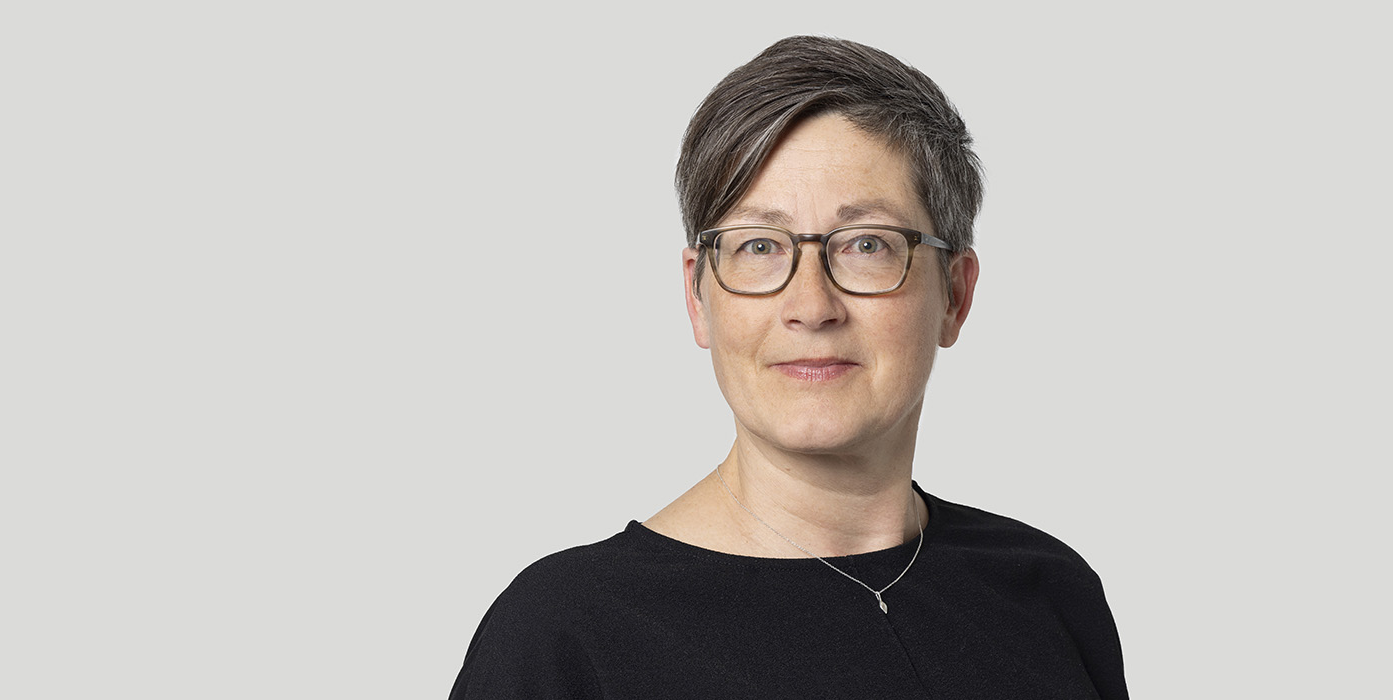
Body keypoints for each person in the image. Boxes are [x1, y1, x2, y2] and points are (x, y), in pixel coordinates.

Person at [448, 37, 1127, 699]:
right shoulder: (565, 637)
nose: (811, 306)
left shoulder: (1051, 592)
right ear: (698, 297)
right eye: (759, 247)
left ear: (955, 294)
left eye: (867, 245)